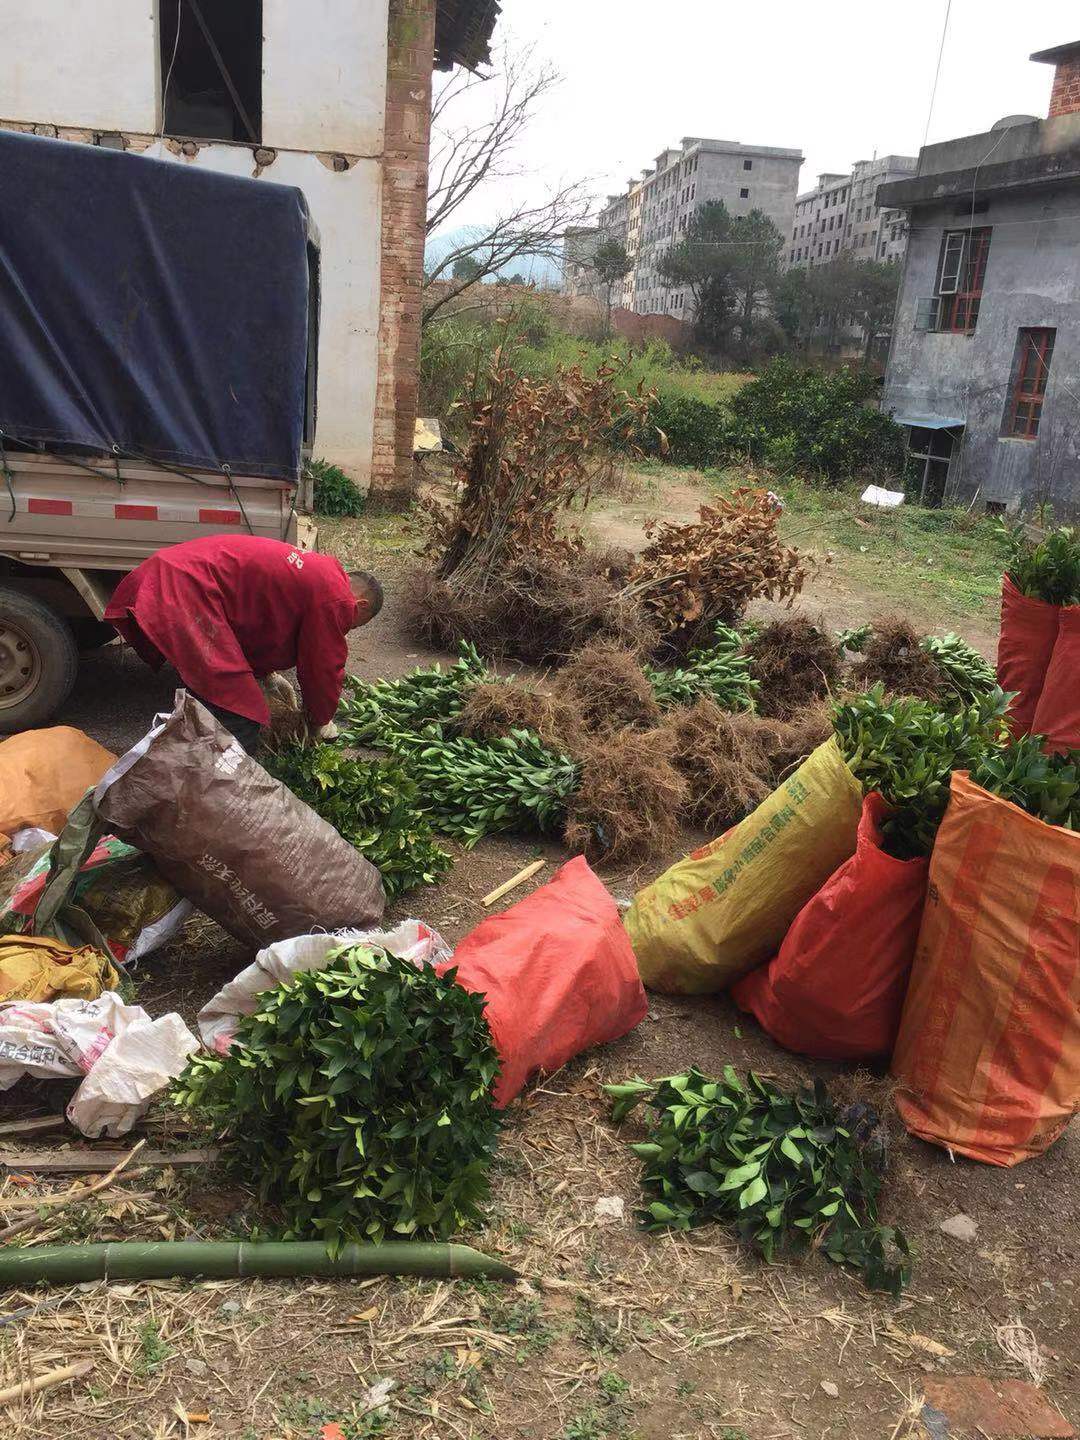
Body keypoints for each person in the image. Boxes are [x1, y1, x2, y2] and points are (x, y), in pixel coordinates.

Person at [105, 535, 382, 752]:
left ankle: (193, 760)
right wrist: (321, 720)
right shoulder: (337, 600)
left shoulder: (323, 575)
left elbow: (262, 619)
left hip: (181, 579)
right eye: (353, 625)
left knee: (222, 700)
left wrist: (265, 674)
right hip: (185, 590)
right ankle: (227, 788)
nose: (346, 628)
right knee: (240, 712)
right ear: (361, 604)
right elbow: (323, 665)